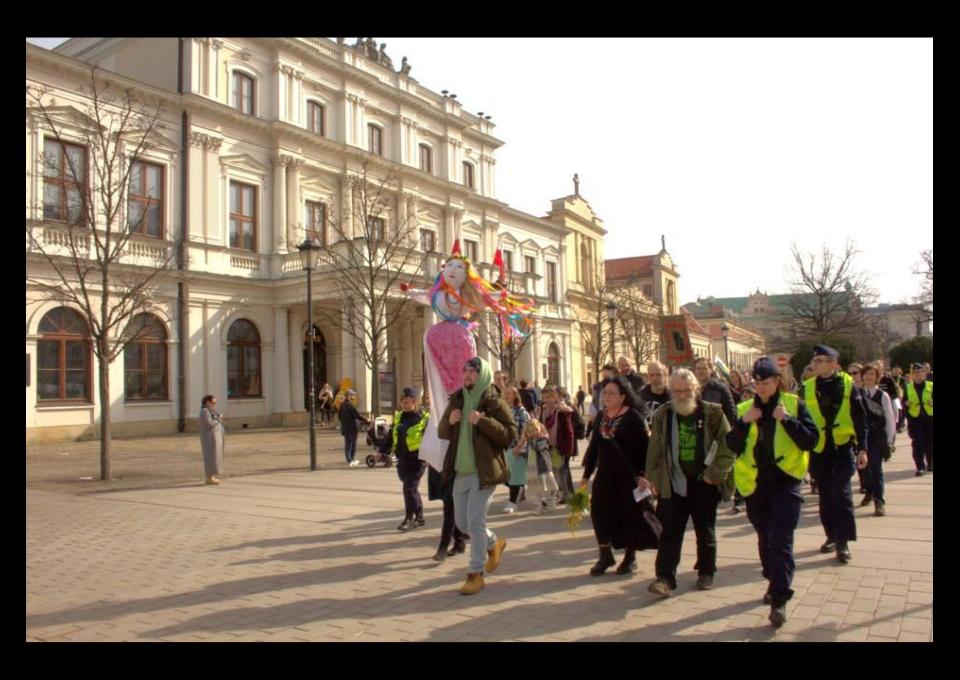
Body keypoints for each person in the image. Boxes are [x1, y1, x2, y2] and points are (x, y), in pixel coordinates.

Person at [725, 357, 819, 627]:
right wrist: (743, 422)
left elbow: (811, 440)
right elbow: (731, 444)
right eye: (756, 383)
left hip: (786, 483)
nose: (760, 387)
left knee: (781, 540)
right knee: (766, 541)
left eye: (765, 382)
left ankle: (780, 599)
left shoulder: (793, 405)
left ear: (777, 381)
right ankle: (773, 578)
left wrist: (787, 421)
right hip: (755, 487)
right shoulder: (745, 408)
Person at [645, 369, 736, 595]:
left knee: (705, 531)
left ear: (695, 390)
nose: (681, 395)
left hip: (704, 482)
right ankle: (665, 578)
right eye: (676, 391)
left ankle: (706, 571)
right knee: (669, 532)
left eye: (686, 390)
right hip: (673, 482)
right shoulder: (663, 415)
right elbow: (654, 452)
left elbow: (728, 446)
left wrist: (714, 474)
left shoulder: (712, 413)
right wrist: (654, 480)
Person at [438, 357, 517, 595]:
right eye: (464, 370)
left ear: (482, 373)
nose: (467, 375)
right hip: (460, 471)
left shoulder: (494, 400)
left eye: (472, 371)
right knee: (463, 524)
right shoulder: (458, 398)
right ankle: (494, 543)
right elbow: (443, 431)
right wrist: (450, 422)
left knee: (474, 521)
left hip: (484, 472)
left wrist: (482, 421)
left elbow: (510, 435)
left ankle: (475, 574)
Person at [579, 376, 661, 577]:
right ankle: (605, 555)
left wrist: (644, 476)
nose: (606, 396)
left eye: (611, 393)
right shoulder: (601, 417)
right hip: (605, 475)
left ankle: (630, 557)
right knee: (598, 514)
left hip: (628, 478)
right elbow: (594, 449)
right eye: (605, 392)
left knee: (629, 516)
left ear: (623, 396)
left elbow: (646, 450)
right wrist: (585, 476)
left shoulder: (634, 418)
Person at [803, 345, 869, 564]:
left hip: (842, 447)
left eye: (821, 360)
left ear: (833, 363)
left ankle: (843, 542)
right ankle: (831, 535)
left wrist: (862, 448)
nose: (816, 364)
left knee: (841, 494)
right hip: (819, 449)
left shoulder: (849, 385)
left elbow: (860, 419)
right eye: (815, 361)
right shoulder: (807, 387)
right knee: (825, 495)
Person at [380, 387, 429, 531]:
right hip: (402, 459)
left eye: (409, 402)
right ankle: (420, 517)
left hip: (417, 460)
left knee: (408, 488)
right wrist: (381, 452)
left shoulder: (423, 418)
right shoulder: (399, 416)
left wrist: (431, 457)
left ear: (415, 403)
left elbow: (430, 440)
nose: (406, 405)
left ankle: (409, 518)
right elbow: (391, 437)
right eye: (404, 402)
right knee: (412, 490)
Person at [859, 363, 895, 516]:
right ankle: (869, 491)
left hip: (877, 437)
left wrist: (889, 439)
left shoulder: (882, 395)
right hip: (861, 437)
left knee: (876, 470)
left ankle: (879, 501)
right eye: (866, 374)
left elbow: (889, 418)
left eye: (872, 374)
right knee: (863, 470)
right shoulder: (857, 394)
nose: (868, 377)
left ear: (877, 377)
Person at [539, 386, 576, 505]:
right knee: (553, 471)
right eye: (545, 397)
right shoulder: (544, 410)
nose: (547, 400)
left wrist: (569, 448)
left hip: (559, 445)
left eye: (550, 397)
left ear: (555, 397)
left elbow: (569, 430)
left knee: (559, 472)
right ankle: (561, 495)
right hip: (547, 444)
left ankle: (562, 496)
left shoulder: (562, 411)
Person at [502, 385, 531, 513]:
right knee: (505, 475)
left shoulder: (521, 411)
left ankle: (512, 502)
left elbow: (526, 429)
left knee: (514, 476)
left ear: (515, 396)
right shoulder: (503, 409)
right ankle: (521, 490)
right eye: (505, 393)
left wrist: (519, 446)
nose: (507, 395)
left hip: (517, 447)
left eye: (510, 393)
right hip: (505, 447)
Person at [904, 362, 933, 476]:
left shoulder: (931, 385)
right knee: (918, 443)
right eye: (915, 373)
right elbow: (903, 402)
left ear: (924, 373)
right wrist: (906, 403)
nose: (917, 375)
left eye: (920, 372)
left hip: (930, 418)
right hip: (915, 420)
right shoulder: (908, 387)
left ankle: (930, 463)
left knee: (930, 443)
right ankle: (920, 466)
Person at [693, 357, 737, 428]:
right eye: (698, 368)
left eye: (704, 368)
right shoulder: (690, 389)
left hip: (716, 432)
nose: (700, 371)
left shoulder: (720, 388)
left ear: (710, 370)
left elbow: (731, 413)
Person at [526, 419, 560, 514]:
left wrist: (533, 439)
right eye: (531, 431)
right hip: (532, 467)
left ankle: (551, 503)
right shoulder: (531, 440)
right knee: (536, 489)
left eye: (535, 430)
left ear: (540, 429)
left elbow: (537, 448)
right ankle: (539, 506)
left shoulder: (542, 439)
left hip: (543, 467)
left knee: (550, 486)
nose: (534, 432)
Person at [338, 390, 369, 467]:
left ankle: (349, 460)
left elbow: (339, 417)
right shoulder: (350, 405)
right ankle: (351, 460)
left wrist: (344, 422)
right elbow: (357, 415)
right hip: (352, 428)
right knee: (353, 444)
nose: (354, 397)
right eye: (352, 395)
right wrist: (366, 420)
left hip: (345, 427)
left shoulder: (342, 405)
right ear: (349, 396)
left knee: (348, 444)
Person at [199, 394, 225, 485]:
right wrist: (219, 419)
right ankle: (209, 478)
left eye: (215, 403)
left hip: (214, 438)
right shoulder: (205, 411)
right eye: (213, 403)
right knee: (210, 457)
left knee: (215, 457)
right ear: (207, 402)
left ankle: (212, 476)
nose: (214, 405)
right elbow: (209, 424)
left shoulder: (210, 410)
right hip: (209, 439)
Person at [638, 361, 671, 425]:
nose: (655, 378)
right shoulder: (640, 396)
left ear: (665, 376)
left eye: (658, 375)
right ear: (648, 377)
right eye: (652, 375)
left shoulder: (672, 396)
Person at [891, 365, 908, 432]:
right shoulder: (889, 378)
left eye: (897, 371)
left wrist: (902, 396)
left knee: (899, 411)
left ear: (900, 371)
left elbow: (904, 388)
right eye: (894, 370)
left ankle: (899, 426)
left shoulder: (902, 379)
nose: (895, 372)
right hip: (891, 397)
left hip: (899, 397)